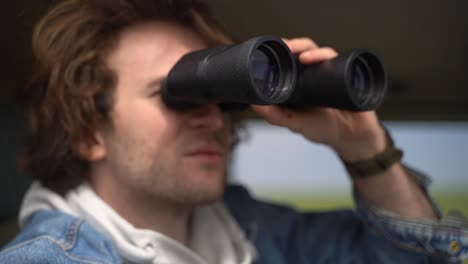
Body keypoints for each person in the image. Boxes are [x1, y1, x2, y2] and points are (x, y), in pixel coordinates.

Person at [0, 0, 466, 263]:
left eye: (221, 94)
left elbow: (415, 258)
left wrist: (364, 146)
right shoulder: (56, 257)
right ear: (88, 132)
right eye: (175, 94)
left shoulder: (248, 226)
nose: (211, 116)